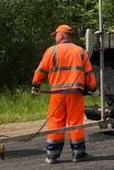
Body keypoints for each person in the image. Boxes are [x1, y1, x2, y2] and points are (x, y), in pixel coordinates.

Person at [32, 24, 97, 164]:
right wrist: (93, 89)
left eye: (56, 35)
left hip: (57, 94)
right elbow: (89, 73)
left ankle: (52, 155)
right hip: (75, 93)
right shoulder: (81, 51)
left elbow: (41, 70)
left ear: (61, 35)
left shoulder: (52, 51)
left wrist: (35, 85)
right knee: (75, 122)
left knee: (56, 122)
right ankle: (79, 154)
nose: (55, 37)